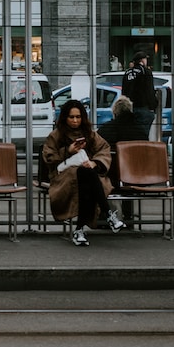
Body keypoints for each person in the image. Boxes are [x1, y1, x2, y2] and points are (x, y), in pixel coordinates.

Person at [42, 98, 124, 247]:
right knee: (86, 174)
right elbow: (49, 156)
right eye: (71, 117)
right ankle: (108, 214)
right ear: (65, 118)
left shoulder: (90, 134)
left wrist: (94, 162)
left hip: (87, 175)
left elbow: (103, 149)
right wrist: (68, 151)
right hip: (64, 177)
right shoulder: (56, 135)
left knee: (86, 176)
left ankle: (79, 230)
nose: (75, 121)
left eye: (78, 117)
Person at [122, 51, 158, 140]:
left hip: (129, 108)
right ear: (142, 60)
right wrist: (153, 106)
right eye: (145, 59)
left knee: (131, 135)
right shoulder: (145, 72)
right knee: (143, 135)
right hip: (143, 107)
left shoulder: (127, 73)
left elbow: (124, 91)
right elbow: (149, 91)